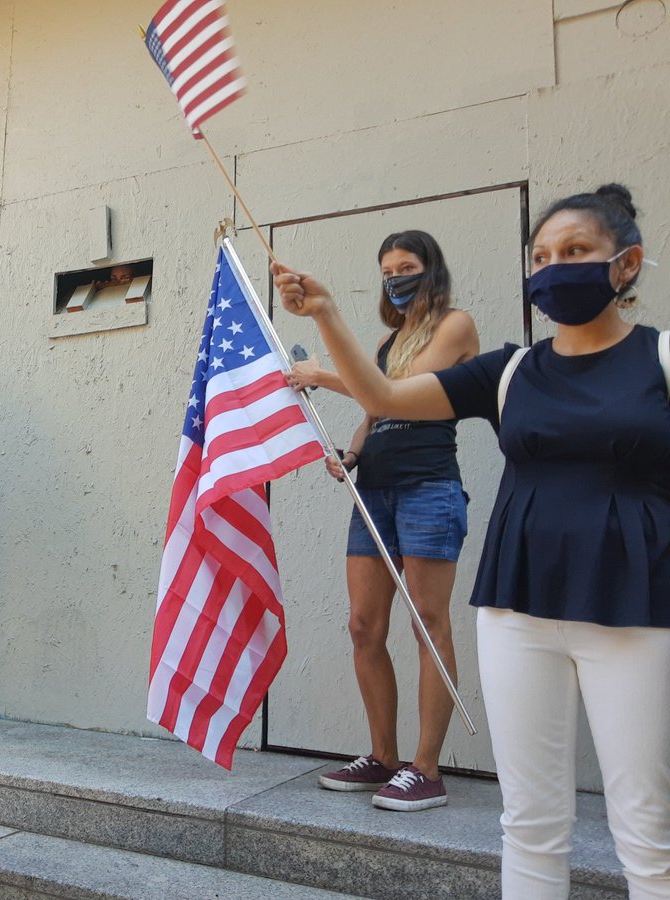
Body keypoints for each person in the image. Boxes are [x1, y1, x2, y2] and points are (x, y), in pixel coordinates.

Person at [274, 183, 670, 898]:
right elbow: (386, 399)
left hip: (636, 605)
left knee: (645, 829)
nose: (555, 267)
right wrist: (328, 313)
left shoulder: (660, 360)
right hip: (518, 606)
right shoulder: (514, 370)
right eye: (542, 255)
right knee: (530, 824)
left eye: (576, 251)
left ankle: (418, 765)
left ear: (627, 263)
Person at [288, 232, 479, 812]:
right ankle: (383, 758)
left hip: (428, 488)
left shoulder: (455, 326)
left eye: (408, 267)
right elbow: (374, 415)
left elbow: (394, 393)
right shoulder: (384, 342)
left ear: (431, 271)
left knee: (428, 622)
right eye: (388, 270)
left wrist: (322, 373)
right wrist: (349, 455)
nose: (396, 278)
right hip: (374, 491)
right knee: (364, 626)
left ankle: (426, 769)